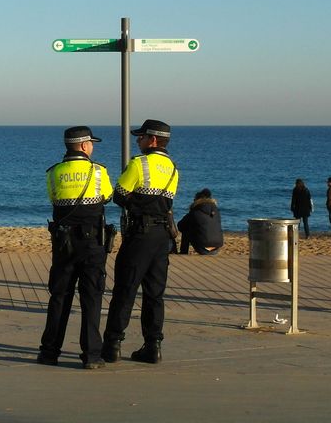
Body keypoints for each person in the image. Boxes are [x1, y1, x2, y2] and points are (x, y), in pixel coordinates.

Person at [103, 118, 180, 365]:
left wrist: (136, 206)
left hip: (140, 235)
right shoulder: (173, 167)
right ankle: (153, 345)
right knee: (155, 293)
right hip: (162, 238)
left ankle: (112, 344)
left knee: (125, 290)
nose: (138, 140)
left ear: (153, 140)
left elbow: (119, 194)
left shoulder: (139, 164)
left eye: (141, 137)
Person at [37, 126, 114, 370]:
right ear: (83, 146)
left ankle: (49, 352)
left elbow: (53, 198)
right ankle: (91, 355)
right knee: (91, 298)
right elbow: (108, 196)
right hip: (92, 244)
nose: (93, 147)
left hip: (63, 243)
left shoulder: (54, 172)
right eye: (91, 143)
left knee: (60, 297)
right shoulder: (99, 171)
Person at [177, 188, 223, 255]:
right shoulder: (216, 211)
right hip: (216, 248)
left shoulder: (195, 211)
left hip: (202, 248)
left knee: (186, 229)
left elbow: (180, 225)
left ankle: (183, 252)